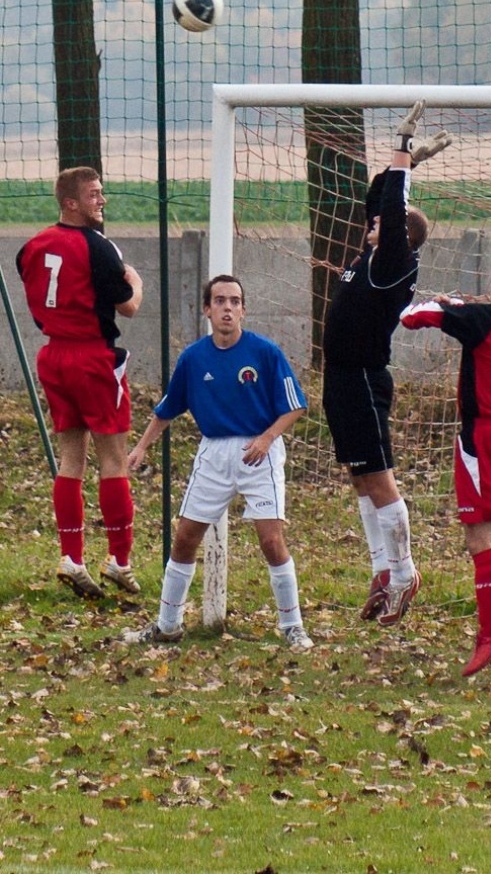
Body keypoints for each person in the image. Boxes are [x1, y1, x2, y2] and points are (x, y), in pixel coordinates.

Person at [124, 273, 313, 651]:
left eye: (235, 301)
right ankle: (168, 624)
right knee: (185, 537)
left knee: (271, 540)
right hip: (213, 454)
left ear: (243, 309)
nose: (228, 308)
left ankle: (292, 626)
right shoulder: (194, 358)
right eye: (221, 301)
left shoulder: (265, 353)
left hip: (260, 454)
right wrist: (141, 446)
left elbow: (296, 405)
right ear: (207, 309)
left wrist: (267, 437)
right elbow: (167, 409)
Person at [322, 101, 452, 626]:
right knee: (359, 476)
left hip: (362, 381)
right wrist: (405, 164)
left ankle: (404, 573)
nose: (372, 223)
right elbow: (381, 199)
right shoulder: (371, 256)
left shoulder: (394, 263)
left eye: (383, 224)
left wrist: (401, 146)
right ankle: (381, 568)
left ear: (401, 237)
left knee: (379, 480)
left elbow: (391, 210)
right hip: (340, 379)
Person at [401, 258, 491, 675]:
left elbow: (412, 317)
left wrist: (449, 303)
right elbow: (481, 318)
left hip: (482, 436)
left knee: (480, 535)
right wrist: (463, 306)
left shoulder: (484, 318)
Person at [16, 166, 143, 599]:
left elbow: (36, 300)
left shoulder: (32, 246)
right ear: (70, 202)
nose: (101, 200)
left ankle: (71, 557)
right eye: (93, 194)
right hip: (92, 356)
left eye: (101, 192)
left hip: (53, 355)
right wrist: (136, 283)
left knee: (71, 459)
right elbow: (127, 308)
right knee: (114, 458)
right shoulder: (98, 247)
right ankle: (119, 561)